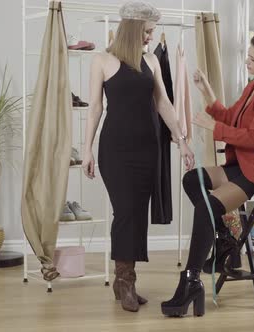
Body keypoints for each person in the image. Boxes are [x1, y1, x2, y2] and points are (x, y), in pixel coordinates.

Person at [161, 32, 254, 317]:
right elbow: (231, 117)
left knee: (205, 208)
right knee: (192, 180)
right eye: (248, 55)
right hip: (242, 164)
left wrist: (213, 128)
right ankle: (225, 243)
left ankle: (191, 280)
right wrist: (206, 90)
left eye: (253, 58)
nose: (247, 60)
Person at [81, 2, 195, 313]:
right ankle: (125, 280)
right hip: (115, 149)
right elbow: (94, 109)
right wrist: (87, 148)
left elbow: (164, 104)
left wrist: (180, 140)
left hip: (148, 148)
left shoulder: (151, 62)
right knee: (126, 212)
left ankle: (126, 281)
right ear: (132, 30)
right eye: (147, 31)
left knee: (136, 213)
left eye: (152, 31)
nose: (151, 36)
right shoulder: (101, 61)